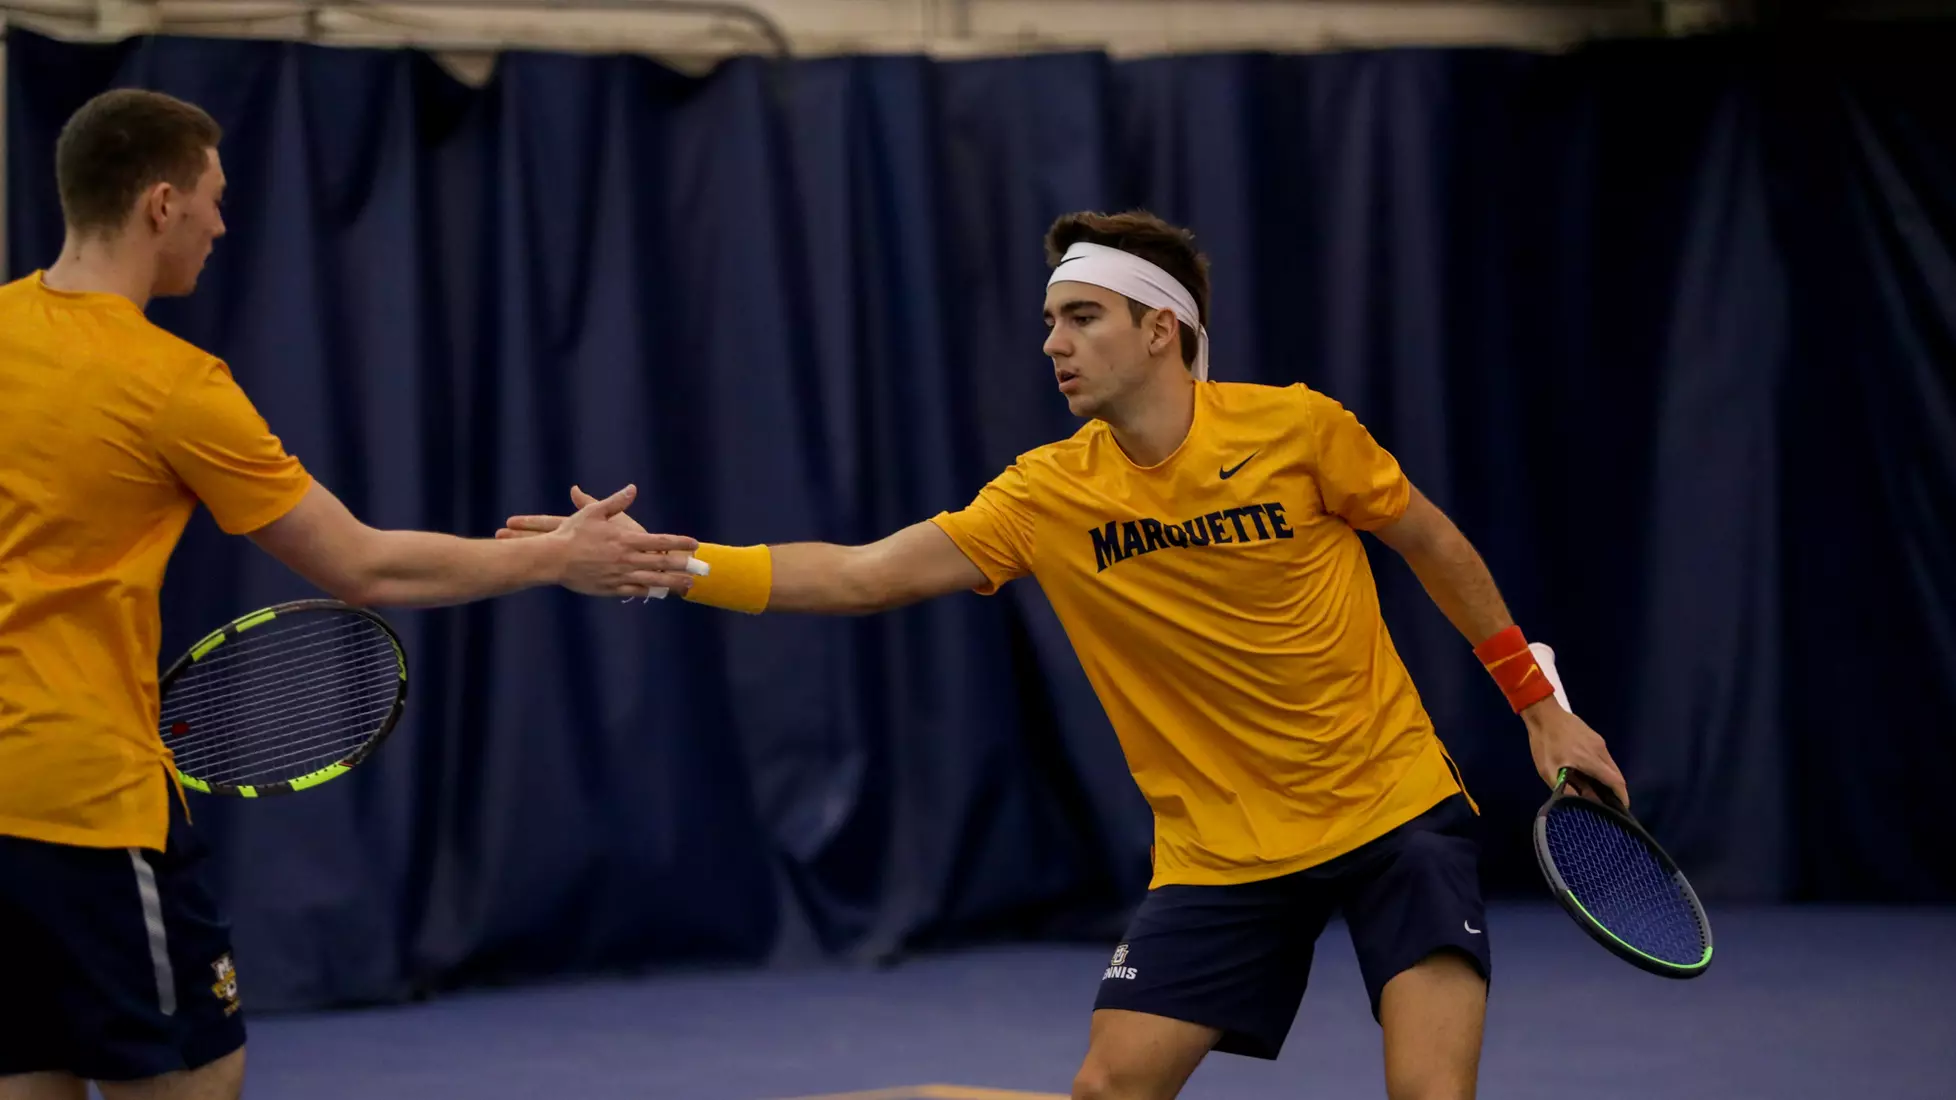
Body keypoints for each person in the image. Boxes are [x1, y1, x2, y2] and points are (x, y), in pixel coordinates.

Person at [499, 210, 1629, 1100]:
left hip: (1392, 810)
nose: (1052, 344)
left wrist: (1540, 704)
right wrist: (671, 564)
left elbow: (1434, 544)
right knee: (1109, 1085)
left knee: (1433, 1091)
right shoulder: (1045, 494)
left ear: (1159, 328)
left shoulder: (1300, 430)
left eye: (1079, 317)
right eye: (1049, 322)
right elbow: (860, 573)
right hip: (1219, 851)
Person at [0, 89, 701, 1100]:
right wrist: (555, 558)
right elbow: (363, 565)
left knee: (31, 1075)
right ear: (160, 204)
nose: (221, 223)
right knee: (197, 1080)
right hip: (88, 809)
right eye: (213, 197)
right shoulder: (174, 384)